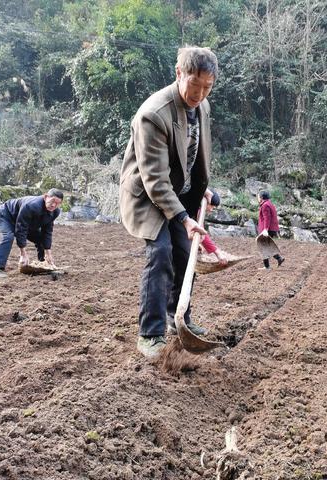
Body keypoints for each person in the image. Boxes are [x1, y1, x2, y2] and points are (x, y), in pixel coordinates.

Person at [119, 46, 218, 360]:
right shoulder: (154, 114)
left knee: (184, 254)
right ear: (179, 74)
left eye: (208, 87)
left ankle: (180, 320)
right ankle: (150, 334)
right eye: (195, 84)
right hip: (148, 195)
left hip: (176, 192)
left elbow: (192, 155)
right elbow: (155, 180)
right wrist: (185, 219)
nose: (200, 93)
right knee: (161, 252)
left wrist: (201, 189)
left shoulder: (201, 106)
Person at [0, 189, 63, 279]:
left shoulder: (55, 212)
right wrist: (23, 254)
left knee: (41, 239)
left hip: (24, 222)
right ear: (46, 197)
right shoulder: (31, 206)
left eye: (57, 203)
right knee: (8, 236)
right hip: (5, 216)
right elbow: (21, 228)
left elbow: (47, 232)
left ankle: (44, 265)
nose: (54, 205)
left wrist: (48, 253)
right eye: (52, 201)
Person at [257, 190, 285, 270]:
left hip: (267, 229)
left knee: (263, 247)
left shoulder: (265, 205)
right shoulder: (269, 204)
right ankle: (279, 258)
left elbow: (267, 218)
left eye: (258, 196)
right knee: (267, 246)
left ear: (261, 197)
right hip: (272, 228)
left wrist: (265, 229)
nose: (258, 198)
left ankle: (267, 267)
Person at [199, 191, 228, 266]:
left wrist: (198, 243)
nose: (212, 209)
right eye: (212, 206)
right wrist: (218, 253)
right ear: (206, 201)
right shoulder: (198, 211)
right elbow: (202, 233)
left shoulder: (199, 211)